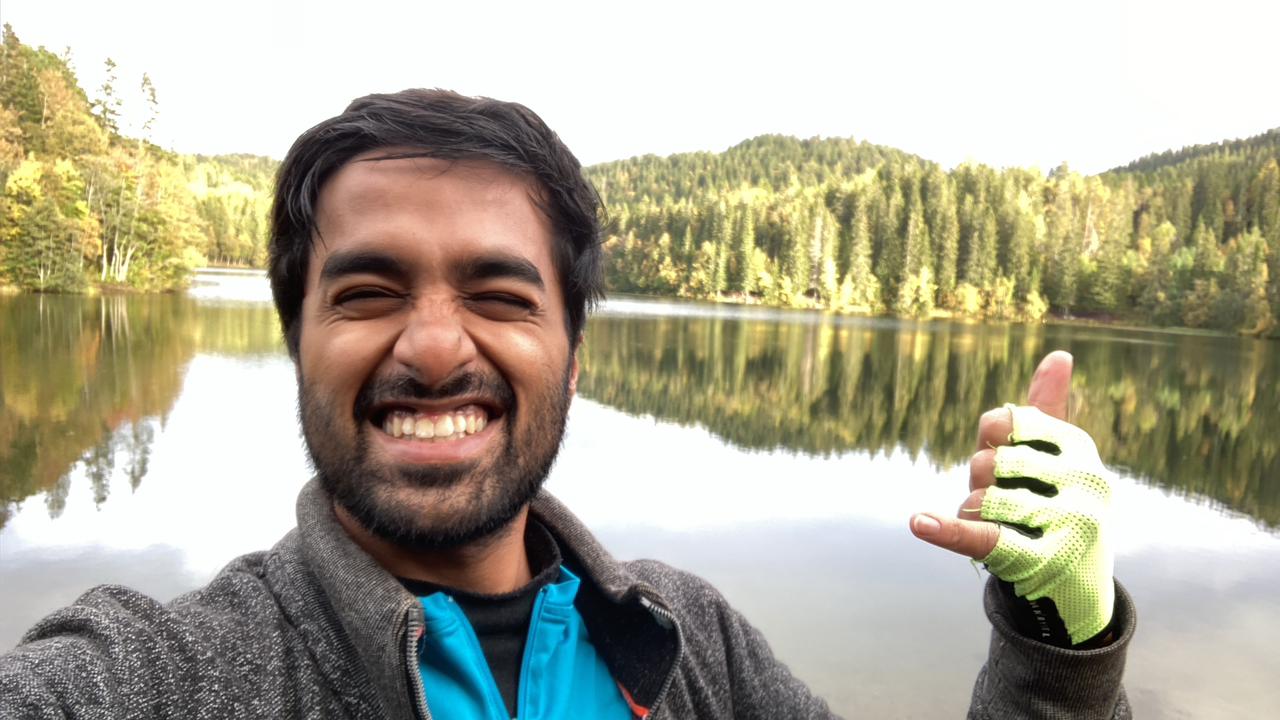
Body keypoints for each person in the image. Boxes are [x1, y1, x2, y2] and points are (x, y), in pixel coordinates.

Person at [0, 89, 1134, 719]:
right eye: (368, 291)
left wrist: (1059, 641)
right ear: (298, 341)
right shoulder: (163, 675)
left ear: (574, 357)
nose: (432, 346)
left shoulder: (694, 647)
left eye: (499, 296)